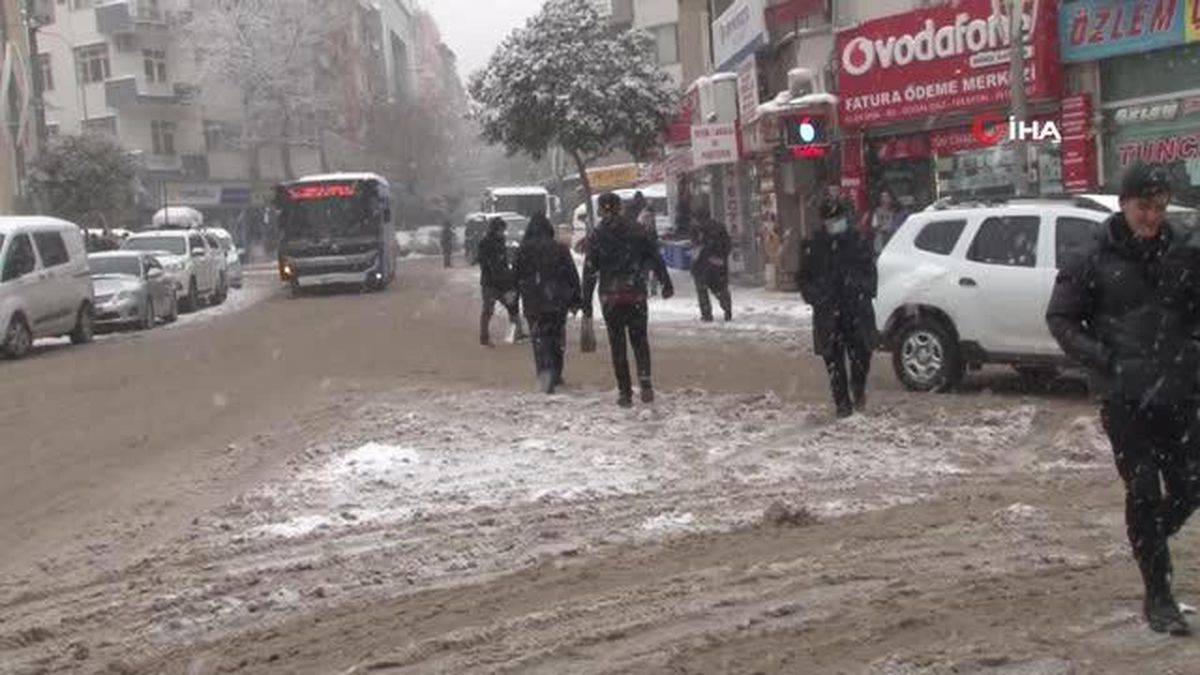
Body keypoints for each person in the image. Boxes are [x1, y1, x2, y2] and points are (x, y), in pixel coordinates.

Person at [1046, 163, 1200, 636]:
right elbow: (1061, 318)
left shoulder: (1184, 249)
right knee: (1145, 489)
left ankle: (1149, 536)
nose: (1152, 216)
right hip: (1125, 395)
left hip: (1180, 387)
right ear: (1123, 203)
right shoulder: (1092, 255)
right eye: (1143, 207)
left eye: (1160, 207)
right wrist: (1105, 359)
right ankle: (1159, 596)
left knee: (1192, 485)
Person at [582, 192, 675, 408]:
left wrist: (586, 302)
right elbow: (654, 257)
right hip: (635, 293)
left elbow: (590, 271)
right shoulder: (637, 230)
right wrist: (665, 282)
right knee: (640, 340)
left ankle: (625, 392)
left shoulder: (597, 235)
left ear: (601, 210)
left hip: (610, 297)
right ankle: (646, 383)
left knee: (618, 344)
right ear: (620, 207)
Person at [799, 195, 877, 419]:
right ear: (823, 221)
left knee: (862, 355)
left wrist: (861, 289)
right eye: (831, 220)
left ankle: (858, 388)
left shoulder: (858, 241)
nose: (835, 223)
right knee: (833, 360)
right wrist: (817, 297)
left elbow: (871, 273)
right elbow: (803, 279)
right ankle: (842, 404)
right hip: (828, 313)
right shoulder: (813, 246)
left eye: (839, 218)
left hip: (856, 310)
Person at [514, 213, 582, 394]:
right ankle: (556, 373)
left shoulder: (523, 250)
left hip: (533, 302)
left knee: (539, 339)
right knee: (556, 338)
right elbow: (571, 275)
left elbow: (515, 277)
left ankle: (544, 373)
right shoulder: (560, 249)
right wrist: (576, 299)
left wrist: (513, 301)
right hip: (557, 301)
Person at [478, 217, 526, 347]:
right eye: (501, 230)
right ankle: (484, 338)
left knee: (512, 307)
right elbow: (485, 263)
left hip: (503, 283)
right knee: (488, 310)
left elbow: (503, 262)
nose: (503, 232)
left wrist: (507, 275)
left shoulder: (501, 241)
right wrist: (496, 273)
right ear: (495, 229)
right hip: (490, 283)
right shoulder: (485, 243)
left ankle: (515, 334)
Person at [690, 207, 733, 322]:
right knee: (720, 288)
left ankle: (707, 314)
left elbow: (696, 247)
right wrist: (722, 257)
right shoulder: (719, 227)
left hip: (702, 265)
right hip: (718, 264)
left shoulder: (697, 229)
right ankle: (727, 309)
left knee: (702, 290)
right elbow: (728, 245)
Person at [865, 188, 906, 255]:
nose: (885, 199)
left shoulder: (896, 210)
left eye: (887, 196)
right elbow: (874, 225)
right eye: (883, 197)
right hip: (882, 237)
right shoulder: (877, 211)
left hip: (893, 237)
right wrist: (881, 228)